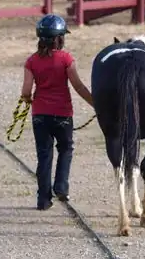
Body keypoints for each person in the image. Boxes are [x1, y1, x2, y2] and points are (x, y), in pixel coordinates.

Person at [21, 14, 93, 210]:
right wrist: (96, 104)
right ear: (60, 38)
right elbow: (78, 86)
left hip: (40, 116)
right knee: (65, 149)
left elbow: (26, 91)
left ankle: (43, 200)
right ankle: (61, 186)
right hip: (62, 114)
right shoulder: (66, 59)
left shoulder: (31, 62)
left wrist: (28, 100)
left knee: (44, 155)